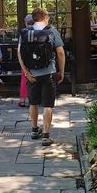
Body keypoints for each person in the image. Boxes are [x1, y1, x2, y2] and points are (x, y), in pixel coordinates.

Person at [18, 8, 65, 146]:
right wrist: (61, 71)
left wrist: (26, 72)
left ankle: (34, 130)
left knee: (33, 102)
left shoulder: (25, 32)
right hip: (49, 72)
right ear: (45, 17)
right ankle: (45, 135)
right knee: (48, 104)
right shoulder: (52, 31)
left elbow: (20, 53)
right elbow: (60, 53)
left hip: (32, 74)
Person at [18, 14, 34, 107]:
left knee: (24, 79)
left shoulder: (24, 33)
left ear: (26, 23)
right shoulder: (38, 31)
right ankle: (34, 99)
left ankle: (23, 100)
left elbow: (19, 50)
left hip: (25, 59)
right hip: (37, 59)